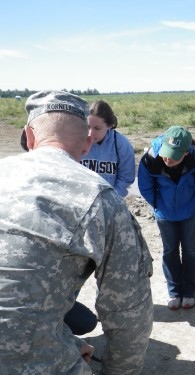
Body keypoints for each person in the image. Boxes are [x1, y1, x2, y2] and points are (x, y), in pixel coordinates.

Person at [0, 90, 154, 374]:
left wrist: (67, 341)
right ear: (86, 145)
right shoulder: (101, 199)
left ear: (29, 137)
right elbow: (129, 313)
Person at [138, 126, 195, 310]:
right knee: (169, 251)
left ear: (186, 153)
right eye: (166, 153)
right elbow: (145, 187)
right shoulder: (151, 159)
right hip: (164, 212)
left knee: (190, 250)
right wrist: (158, 205)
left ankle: (189, 292)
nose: (168, 159)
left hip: (191, 212)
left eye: (174, 155)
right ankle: (174, 292)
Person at [80, 100, 136, 198]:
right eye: (87, 127)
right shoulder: (76, 142)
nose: (90, 133)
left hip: (111, 199)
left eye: (97, 128)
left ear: (109, 126)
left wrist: (112, 199)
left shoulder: (121, 144)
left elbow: (126, 178)